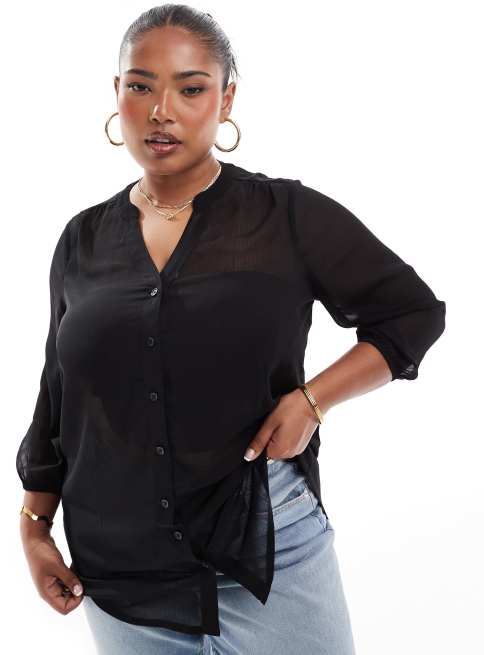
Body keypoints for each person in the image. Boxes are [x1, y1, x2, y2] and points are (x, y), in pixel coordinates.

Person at [16, 4, 446, 654]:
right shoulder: (82, 239)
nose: (162, 111)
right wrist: (34, 526)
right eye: (141, 86)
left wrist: (311, 400)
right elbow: (58, 393)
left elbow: (411, 313)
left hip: (263, 552)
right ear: (117, 95)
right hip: (121, 573)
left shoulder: (284, 215)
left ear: (226, 99)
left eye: (190, 89)